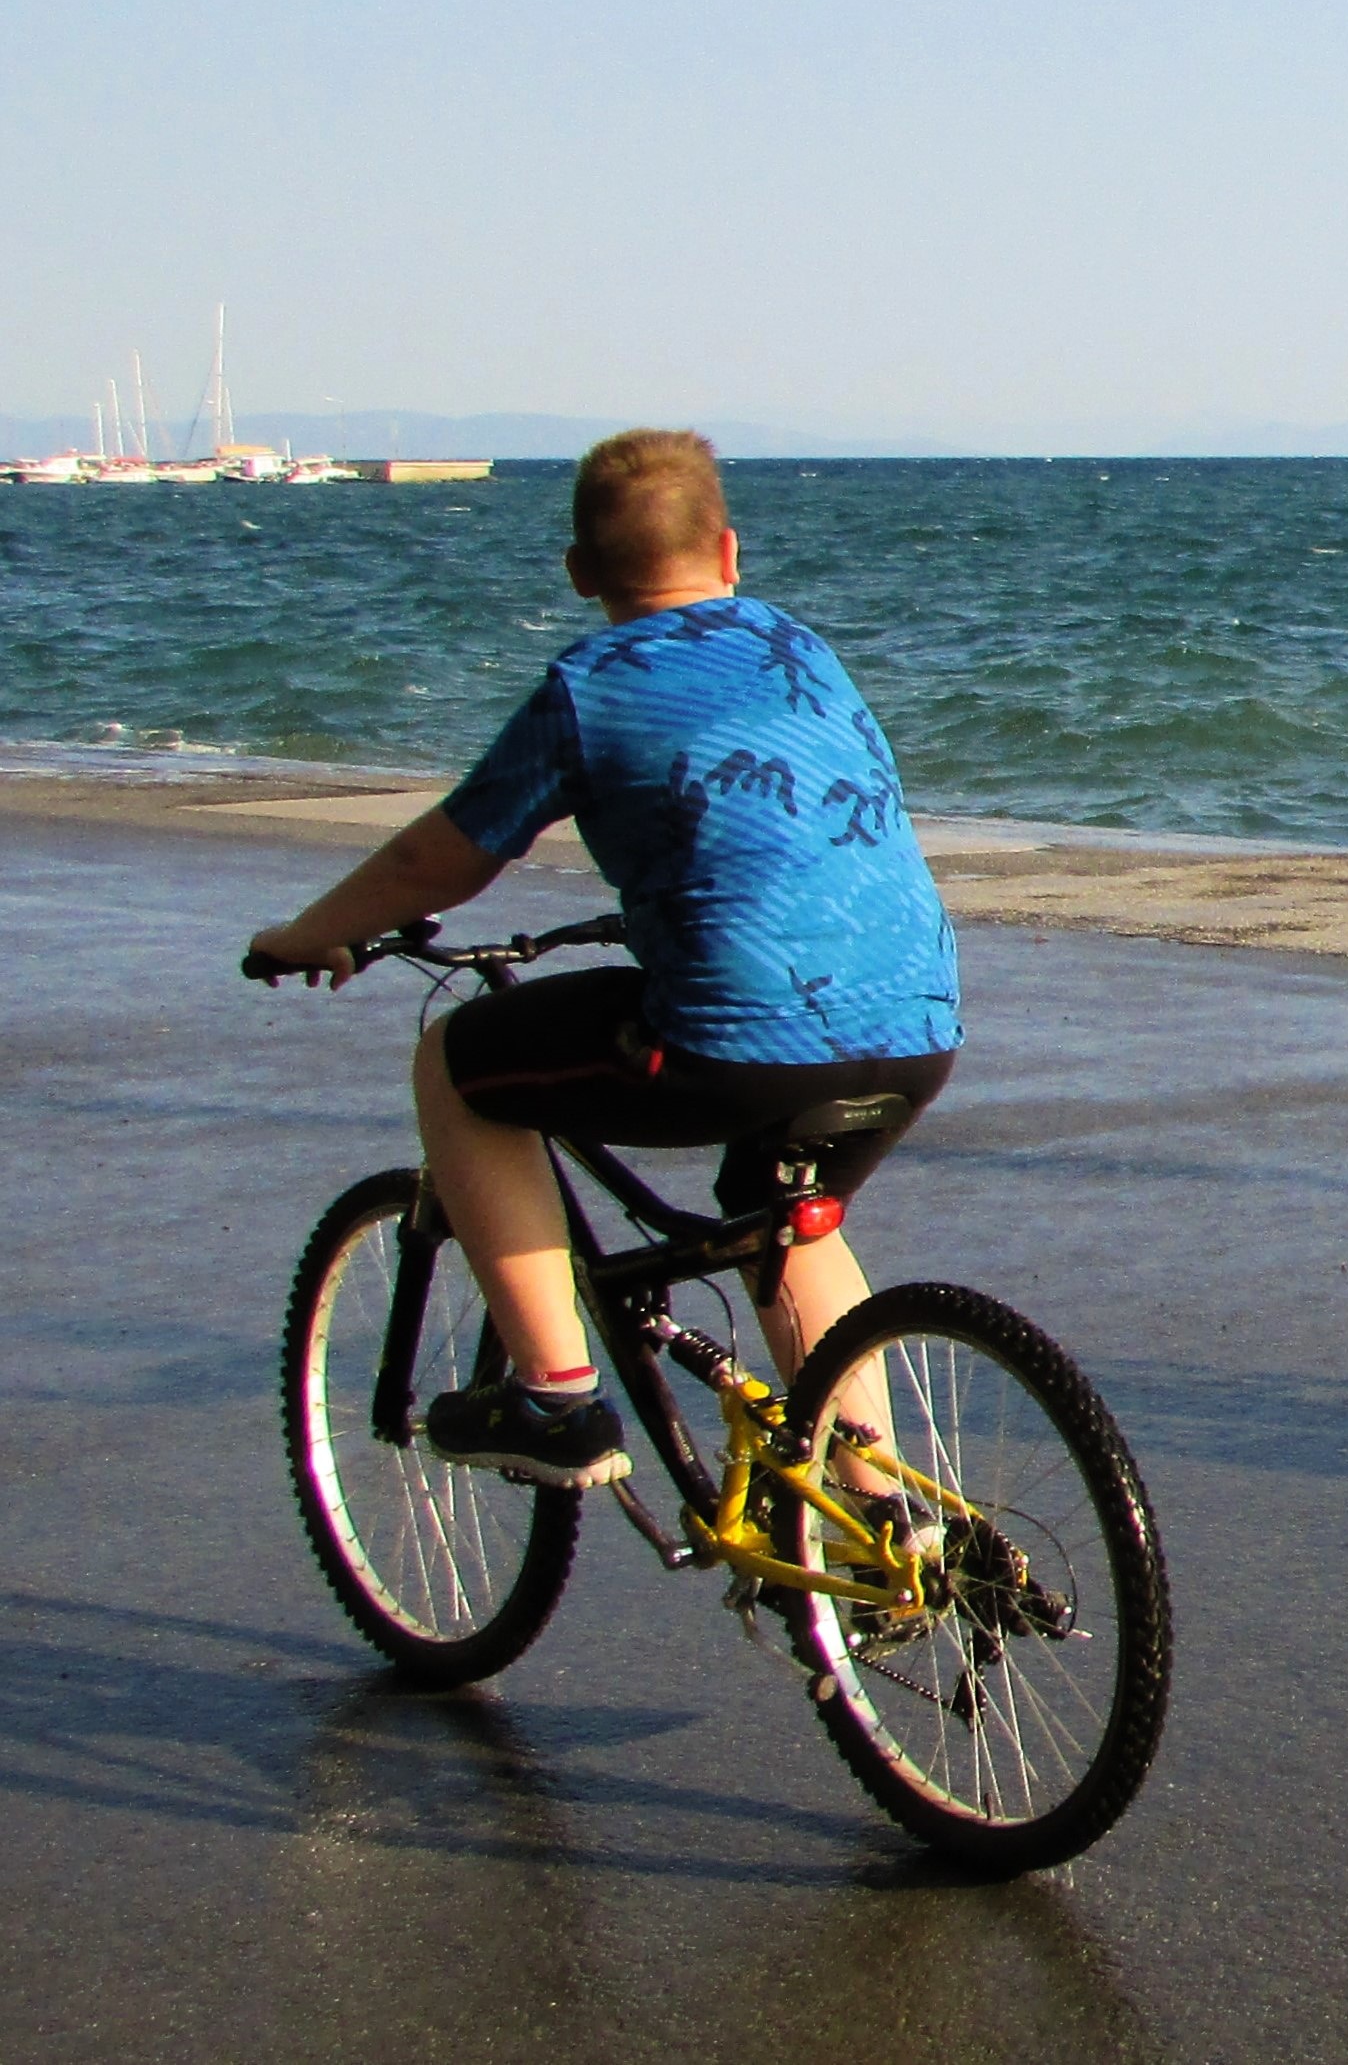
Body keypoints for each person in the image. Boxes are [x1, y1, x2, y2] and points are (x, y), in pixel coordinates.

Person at [247, 429, 961, 1488]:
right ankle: (890, 1523)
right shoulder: (797, 645)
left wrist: (309, 932)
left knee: (456, 1064)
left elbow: (432, 861)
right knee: (784, 1223)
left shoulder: (589, 686)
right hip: (917, 1023)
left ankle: (554, 1396)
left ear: (580, 573)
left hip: (735, 1042)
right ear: (729, 552)